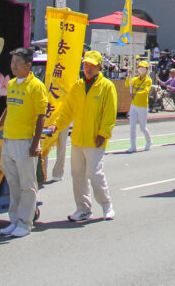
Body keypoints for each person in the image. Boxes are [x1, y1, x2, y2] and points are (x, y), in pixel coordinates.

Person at [46, 50, 117, 222]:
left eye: (92, 65)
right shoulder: (77, 86)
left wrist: (103, 133)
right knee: (77, 174)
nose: (88, 68)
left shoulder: (107, 86)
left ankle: (107, 205)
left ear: (99, 66)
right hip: (77, 138)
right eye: (86, 64)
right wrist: (57, 125)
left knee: (94, 174)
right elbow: (67, 110)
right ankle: (83, 209)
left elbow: (110, 113)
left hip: (95, 139)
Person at [0, 48, 46, 237]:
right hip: (9, 139)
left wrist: (35, 143)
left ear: (28, 65)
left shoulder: (36, 86)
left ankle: (25, 223)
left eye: (17, 62)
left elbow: (41, 116)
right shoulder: (12, 83)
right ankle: (14, 221)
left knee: (27, 185)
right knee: (13, 183)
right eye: (12, 62)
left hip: (24, 141)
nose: (13, 66)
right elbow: (8, 108)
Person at [126, 61, 153, 152]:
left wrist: (136, 94)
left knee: (142, 127)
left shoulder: (148, 80)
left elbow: (146, 91)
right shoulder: (135, 79)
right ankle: (133, 146)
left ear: (146, 69)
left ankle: (149, 142)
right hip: (134, 105)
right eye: (139, 67)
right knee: (132, 126)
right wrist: (129, 75)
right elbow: (127, 84)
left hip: (142, 106)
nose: (141, 69)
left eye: (143, 68)